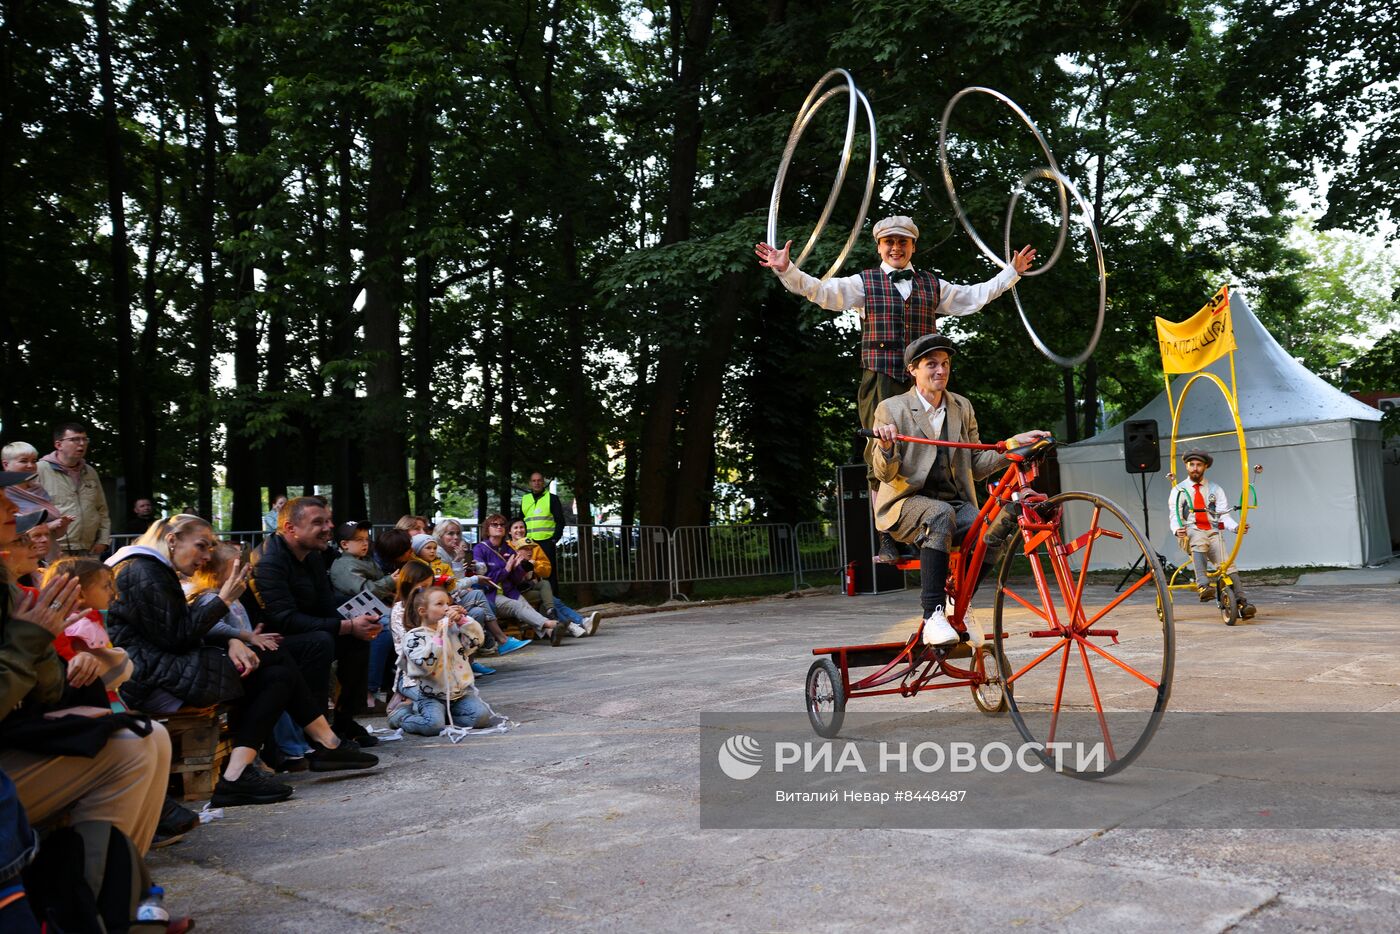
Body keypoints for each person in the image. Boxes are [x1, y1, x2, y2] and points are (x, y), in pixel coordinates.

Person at [756, 217, 1036, 564]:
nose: (896, 247)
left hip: (923, 377)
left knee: (938, 446)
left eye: (903, 242)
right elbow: (823, 292)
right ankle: (887, 535)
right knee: (881, 455)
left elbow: (973, 296)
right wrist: (788, 271)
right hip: (882, 377)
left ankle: (937, 518)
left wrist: (1012, 273)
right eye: (889, 241)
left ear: (913, 247)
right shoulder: (865, 283)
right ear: (879, 246)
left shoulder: (932, 285)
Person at [106, 515, 378, 807]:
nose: (207, 556)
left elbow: (175, 631)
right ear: (172, 540)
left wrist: (233, 639)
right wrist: (222, 602)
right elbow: (176, 636)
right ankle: (322, 743)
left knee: (275, 666)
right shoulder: (141, 570)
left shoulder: (147, 568)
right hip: (150, 678)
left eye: (210, 548)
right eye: (201, 546)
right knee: (275, 662)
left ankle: (240, 774)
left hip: (163, 668)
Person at [0, 471, 173, 860]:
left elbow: (48, 689)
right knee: (133, 746)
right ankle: (96, 903)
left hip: (18, 735)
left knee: (147, 734)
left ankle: (119, 893)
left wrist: (46, 642)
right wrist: (33, 641)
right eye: (3, 502)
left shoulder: (13, 591)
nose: (13, 508)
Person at [871, 334, 1049, 647]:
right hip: (905, 504)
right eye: (931, 365)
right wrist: (886, 446)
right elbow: (884, 473)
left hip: (954, 502)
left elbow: (978, 464)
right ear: (913, 370)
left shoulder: (961, 407)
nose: (940, 371)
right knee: (939, 515)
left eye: (945, 364)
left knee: (992, 532)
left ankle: (959, 604)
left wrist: (1012, 445)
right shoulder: (891, 409)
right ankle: (933, 615)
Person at [247, 496, 383, 747]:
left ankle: (344, 721)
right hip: (270, 642)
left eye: (329, 521)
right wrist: (345, 626)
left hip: (304, 629)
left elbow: (326, 604)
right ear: (290, 528)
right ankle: (316, 732)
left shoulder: (312, 555)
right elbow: (283, 620)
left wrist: (359, 623)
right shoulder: (268, 562)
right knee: (320, 641)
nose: (329, 527)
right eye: (318, 522)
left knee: (357, 638)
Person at [388, 586, 502, 736]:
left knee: (481, 717)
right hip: (431, 696)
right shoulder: (414, 637)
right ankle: (401, 716)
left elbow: (476, 642)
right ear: (423, 611)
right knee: (433, 727)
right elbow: (425, 666)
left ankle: (445, 718)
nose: (447, 608)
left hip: (459, 694)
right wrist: (439, 635)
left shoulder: (453, 630)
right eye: (440, 604)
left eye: (448, 604)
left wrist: (463, 621)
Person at [1169, 450, 1255, 618]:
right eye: (1191, 465)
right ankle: (1202, 585)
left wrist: (1236, 527)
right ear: (1186, 466)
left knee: (1228, 564)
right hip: (1189, 532)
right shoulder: (1179, 490)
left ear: (1205, 467)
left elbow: (1224, 515)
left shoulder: (1216, 489)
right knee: (1199, 538)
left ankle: (1242, 602)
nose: (1195, 468)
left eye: (1199, 465)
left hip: (1212, 531)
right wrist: (1176, 529)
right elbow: (1174, 514)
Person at [473, 514, 570, 643]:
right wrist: (506, 569)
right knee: (519, 606)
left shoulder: (509, 549)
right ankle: (551, 625)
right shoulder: (480, 549)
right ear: (487, 529)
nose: (499, 527)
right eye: (495, 525)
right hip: (492, 594)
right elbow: (485, 578)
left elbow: (515, 580)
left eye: (502, 525)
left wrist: (520, 569)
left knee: (526, 606)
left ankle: (550, 632)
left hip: (510, 591)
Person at [509, 518, 599, 637]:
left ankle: (577, 624)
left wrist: (534, 565)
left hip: (533, 585)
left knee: (549, 595)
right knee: (552, 600)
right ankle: (578, 623)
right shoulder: (507, 547)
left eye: (522, 527)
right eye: (516, 528)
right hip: (517, 589)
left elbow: (546, 571)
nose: (519, 530)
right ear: (509, 532)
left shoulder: (534, 545)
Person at [35, 422, 109, 556]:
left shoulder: (90, 472)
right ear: (59, 445)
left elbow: (102, 509)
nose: (81, 444)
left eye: (84, 439)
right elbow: (28, 510)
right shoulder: (39, 470)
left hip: (89, 549)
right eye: (75, 439)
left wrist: (103, 540)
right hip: (54, 549)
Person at [1, 442, 74, 544]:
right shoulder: (3, 492)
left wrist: (62, 525)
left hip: (49, 552)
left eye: (34, 461)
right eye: (23, 461)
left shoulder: (38, 488)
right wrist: (48, 526)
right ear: (6, 464)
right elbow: (8, 531)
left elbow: (54, 534)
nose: (30, 466)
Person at [330, 521, 397, 602]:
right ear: (344, 544)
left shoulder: (366, 559)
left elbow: (379, 579)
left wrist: (390, 594)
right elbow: (365, 592)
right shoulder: (343, 566)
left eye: (367, 539)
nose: (365, 543)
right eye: (359, 540)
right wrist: (390, 581)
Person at [520, 472, 566, 586]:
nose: (537, 483)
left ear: (543, 483)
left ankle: (553, 601)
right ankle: (536, 601)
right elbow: (521, 520)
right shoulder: (525, 499)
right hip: (529, 543)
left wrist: (555, 539)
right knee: (529, 572)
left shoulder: (552, 498)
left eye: (539, 480)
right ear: (530, 483)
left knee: (549, 573)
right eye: (534, 481)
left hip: (547, 542)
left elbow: (560, 521)